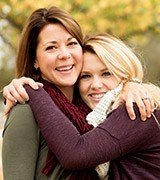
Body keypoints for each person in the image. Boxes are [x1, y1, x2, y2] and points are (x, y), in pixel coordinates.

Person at [2, 6, 155, 180]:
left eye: (72, 43)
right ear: (34, 59)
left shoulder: (98, 113)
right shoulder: (26, 109)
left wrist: (131, 84)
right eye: (51, 48)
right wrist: (33, 90)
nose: (64, 54)